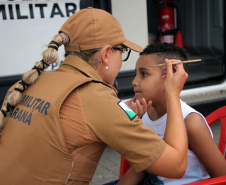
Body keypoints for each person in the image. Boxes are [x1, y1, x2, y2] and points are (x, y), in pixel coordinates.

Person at [0, 8, 188, 185]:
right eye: (122, 51)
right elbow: (176, 166)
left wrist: (120, 113)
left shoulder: (31, 81)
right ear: (106, 54)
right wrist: (172, 93)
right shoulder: (96, 97)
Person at [118, 42, 226, 185]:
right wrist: (129, 117)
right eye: (135, 74)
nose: (134, 81)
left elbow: (222, 176)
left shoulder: (191, 122)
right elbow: (143, 164)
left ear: (171, 74)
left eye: (143, 74)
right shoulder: (144, 113)